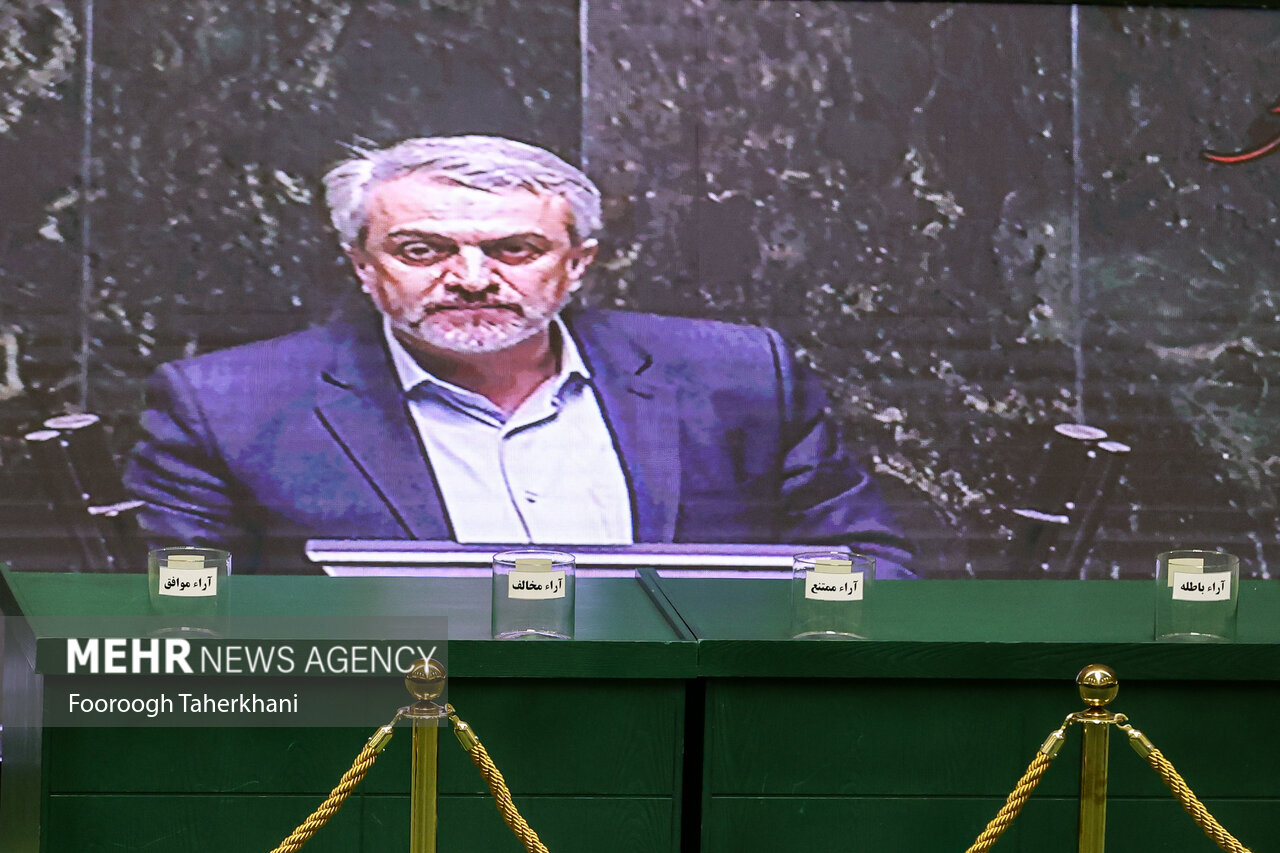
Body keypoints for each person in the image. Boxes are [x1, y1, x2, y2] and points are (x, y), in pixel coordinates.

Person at [124, 136, 913, 575]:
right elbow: (185, 622)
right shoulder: (228, 405)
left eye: (515, 248)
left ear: (577, 264)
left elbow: (868, 563)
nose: (471, 278)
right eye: (422, 249)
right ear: (363, 265)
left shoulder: (735, 376)